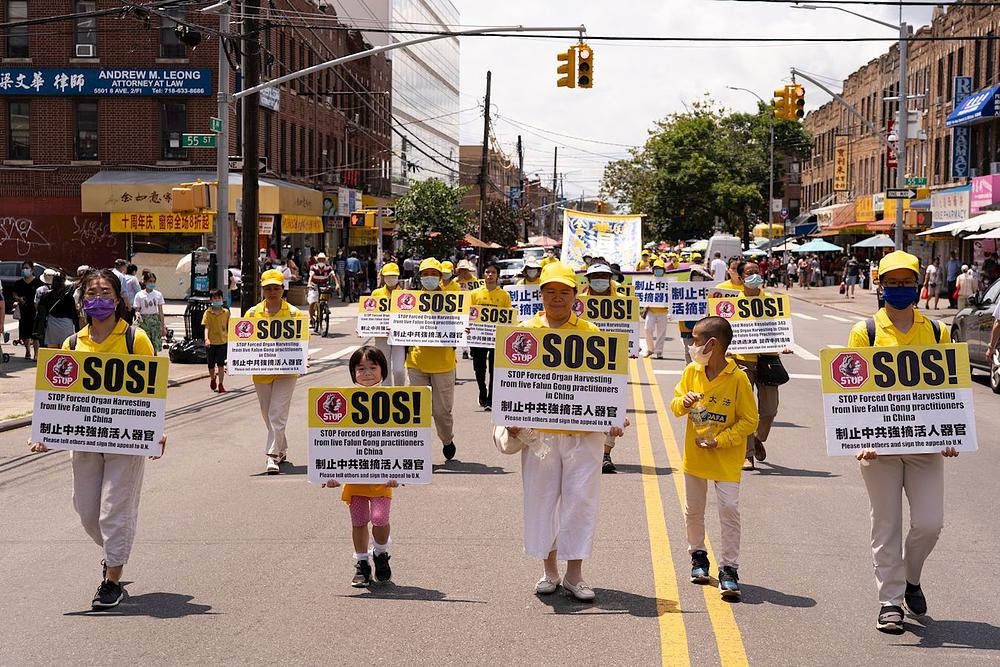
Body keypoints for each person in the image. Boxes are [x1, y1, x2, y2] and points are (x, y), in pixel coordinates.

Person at [29, 268, 166, 609]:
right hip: (85, 441)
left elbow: (150, 393)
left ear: (118, 300)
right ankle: (113, 551)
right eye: (92, 293)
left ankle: (112, 581)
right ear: (82, 300)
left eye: (106, 293)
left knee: (113, 510)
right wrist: (46, 434)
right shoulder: (72, 344)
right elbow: (61, 398)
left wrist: (155, 430)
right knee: (87, 512)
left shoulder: (136, 340)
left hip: (125, 440)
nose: (99, 299)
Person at [847, 250, 958, 634]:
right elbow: (851, 391)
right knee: (886, 525)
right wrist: (861, 437)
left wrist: (951, 432)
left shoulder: (939, 332)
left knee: (929, 524)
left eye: (906, 282)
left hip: (926, 447)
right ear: (880, 286)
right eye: (891, 283)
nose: (899, 288)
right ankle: (890, 602)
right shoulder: (866, 332)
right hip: (878, 449)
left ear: (917, 285)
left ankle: (912, 578)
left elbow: (950, 388)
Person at [506, 261, 625, 602]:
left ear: (575, 296)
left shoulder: (590, 331)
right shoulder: (524, 331)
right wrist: (509, 416)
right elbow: (510, 382)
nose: (557, 298)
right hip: (538, 436)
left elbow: (607, 382)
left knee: (580, 502)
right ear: (540, 294)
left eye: (564, 292)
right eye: (550, 291)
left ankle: (575, 575)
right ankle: (549, 571)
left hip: (582, 435)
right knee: (541, 500)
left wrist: (615, 414)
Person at [672, 316, 758, 601]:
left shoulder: (738, 378)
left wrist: (721, 440)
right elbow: (675, 405)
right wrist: (683, 402)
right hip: (695, 455)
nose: (692, 346)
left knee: (729, 509)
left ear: (712, 344)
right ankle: (698, 556)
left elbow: (750, 421)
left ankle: (729, 569)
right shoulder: (692, 371)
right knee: (693, 510)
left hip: (726, 458)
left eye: (696, 340)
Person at [321, 346, 400, 587]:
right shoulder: (343, 400)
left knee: (379, 519)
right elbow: (332, 440)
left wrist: (400, 471)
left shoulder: (394, 400)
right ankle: (362, 563)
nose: (367, 373)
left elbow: (404, 439)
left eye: (373, 367)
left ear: (383, 370)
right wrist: (330, 472)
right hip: (355, 477)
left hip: (382, 476)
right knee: (358, 521)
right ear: (353, 372)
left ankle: (380, 553)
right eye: (361, 368)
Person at [405, 258, 458, 461]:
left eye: (433, 274)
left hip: (443, 363)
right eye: (425, 274)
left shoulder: (453, 301)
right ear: (420, 277)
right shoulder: (411, 301)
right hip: (416, 362)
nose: (429, 278)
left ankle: (447, 440)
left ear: (440, 277)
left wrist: (464, 331)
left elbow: (461, 326)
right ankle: (420, 448)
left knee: (441, 412)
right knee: (417, 410)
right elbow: (402, 325)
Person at [732, 261, 782, 471]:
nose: (754, 275)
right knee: (745, 409)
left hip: (768, 360)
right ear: (741, 278)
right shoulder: (732, 303)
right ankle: (747, 455)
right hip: (742, 360)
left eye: (756, 271)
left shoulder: (772, 301)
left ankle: (758, 437)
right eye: (749, 273)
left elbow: (782, 328)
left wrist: (785, 344)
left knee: (769, 411)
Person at [252, 269, 303, 474]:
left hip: (286, 371)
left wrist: (303, 358)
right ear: (262, 290)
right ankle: (281, 448)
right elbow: (242, 342)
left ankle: (272, 456)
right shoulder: (252, 313)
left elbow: (302, 342)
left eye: (276, 288)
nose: (272, 292)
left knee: (277, 413)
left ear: (283, 289)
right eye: (268, 288)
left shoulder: (294, 313)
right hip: (261, 370)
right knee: (267, 414)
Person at [469, 262, 512, 410]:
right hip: (478, 338)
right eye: (487, 272)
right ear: (483, 274)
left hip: (496, 338)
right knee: (479, 368)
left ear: (497, 275)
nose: (490, 275)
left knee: (494, 369)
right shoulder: (475, 294)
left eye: (493, 272)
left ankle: (491, 399)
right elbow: (469, 314)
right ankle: (482, 390)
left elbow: (508, 317)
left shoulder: (504, 295)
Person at [370, 263, 407, 386]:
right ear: (383, 277)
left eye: (393, 276)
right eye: (388, 276)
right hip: (382, 336)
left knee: (399, 370)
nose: (391, 278)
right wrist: (363, 329)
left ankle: (400, 390)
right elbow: (369, 315)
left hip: (399, 337)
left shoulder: (406, 293)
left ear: (398, 276)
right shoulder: (376, 293)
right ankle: (386, 393)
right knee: (384, 368)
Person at [36, 271, 78, 349]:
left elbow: (41, 313)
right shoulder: (68, 297)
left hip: (52, 324)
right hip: (66, 325)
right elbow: (74, 314)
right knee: (65, 349)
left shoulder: (46, 295)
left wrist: (40, 329)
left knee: (52, 351)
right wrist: (77, 329)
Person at [11, 259, 40, 360]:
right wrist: (18, 298)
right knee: (24, 333)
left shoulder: (38, 282)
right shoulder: (19, 283)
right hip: (23, 311)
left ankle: (36, 354)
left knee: (35, 334)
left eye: (27, 268)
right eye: (23, 268)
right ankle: (27, 351)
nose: (25, 270)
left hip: (34, 311)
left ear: (32, 270)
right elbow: (14, 293)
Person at [202, 288, 229, 393]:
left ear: (222, 299)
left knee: (221, 364)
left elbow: (229, 326)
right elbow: (206, 327)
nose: (217, 300)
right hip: (211, 342)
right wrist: (206, 339)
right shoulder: (208, 313)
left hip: (223, 341)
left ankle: (221, 384)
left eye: (219, 298)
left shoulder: (226, 312)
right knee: (211, 365)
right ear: (211, 300)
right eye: (215, 298)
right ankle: (213, 378)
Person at [133, 270, 166, 354]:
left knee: (154, 344)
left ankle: (154, 358)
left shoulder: (158, 294)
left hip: (155, 321)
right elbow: (137, 310)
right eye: (150, 281)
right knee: (145, 343)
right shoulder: (139, 295)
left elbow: (161, 312)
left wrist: (163, 326)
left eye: (154, 281)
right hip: (144, 321)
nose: (152, 283)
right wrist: (137, 314)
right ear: (145, 282)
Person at [643, 260, 670, 359]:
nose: (658, 271)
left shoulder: (668, 281)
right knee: (647, 329)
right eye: (656, 269)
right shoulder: (649, 281)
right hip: (651, 310)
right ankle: (650, 349)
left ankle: (659, 351)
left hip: (663, 311)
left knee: (661, 332)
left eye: (660, 269)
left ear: (664, 270)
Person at [307, 252, 339, 317]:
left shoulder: (329, 268)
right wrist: (309, 284)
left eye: (323, 259)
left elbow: (333, 276)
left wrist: (337, 284)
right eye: (320, 259)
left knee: (326, 296)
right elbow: (311, 276)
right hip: (314, 285)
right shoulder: (313, 267)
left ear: (325, 260)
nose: (321, 261)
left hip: (324, 285)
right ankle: (311, 317)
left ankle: (325, 307)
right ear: (317, 260)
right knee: (312, 301)